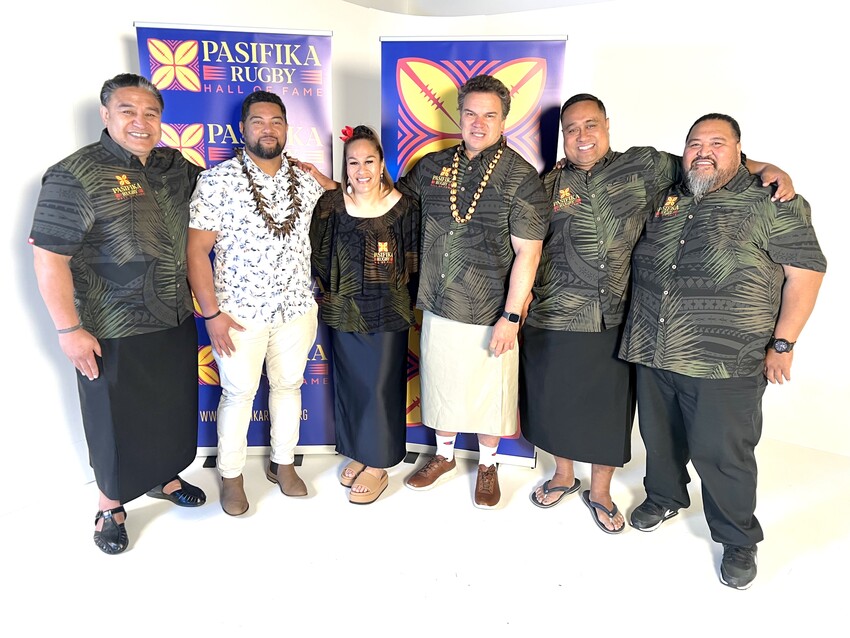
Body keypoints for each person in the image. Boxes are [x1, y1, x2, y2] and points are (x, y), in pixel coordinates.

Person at [520, 94, 795, 533]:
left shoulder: (645, 166)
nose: (582, 136)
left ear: (607, 126)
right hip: (554, 315)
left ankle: (600, 492)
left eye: (590, 125)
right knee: (553, 402)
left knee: (607, 411)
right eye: (571, 129)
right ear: (563, 138)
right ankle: (564, 475)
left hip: (618, 317)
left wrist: (764, 168)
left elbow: (707, 162)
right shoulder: (545, 185)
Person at [619, 113, 826, 588]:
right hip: (653, 348)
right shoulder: (669, 193)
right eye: (695, 143)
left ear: (740, 152)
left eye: (718, 143)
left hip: (727, 360)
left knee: (723, 451)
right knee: (659, 437)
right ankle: (666, 495)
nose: (704, 151)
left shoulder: (774, 201)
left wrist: (784, 342)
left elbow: (806, 274)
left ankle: (737, 538)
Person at [30, 73, 207, 555]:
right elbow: (49, 256)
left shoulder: (176, 166)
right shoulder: (76, 173)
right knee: (112, 418)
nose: (141, 121)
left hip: (173, 314)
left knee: (169, 408)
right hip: (111, 325)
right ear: (106, 115)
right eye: (128, 111)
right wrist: (69, 329)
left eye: (151, 113)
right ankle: (110, 505)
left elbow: (225, 198)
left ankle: (164, 479)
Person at [397, 74, 550, 509]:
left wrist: (512, 316)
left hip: (491, 311)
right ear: (458, 115)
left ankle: (487, 464)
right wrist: (338, 184)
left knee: (490, 393)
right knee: (442, 384)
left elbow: (529, 254)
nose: (478, 123)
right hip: (441, 302)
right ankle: (443, 456)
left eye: (489, 115)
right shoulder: (431, 166)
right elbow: (389, 202)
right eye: (470, 113)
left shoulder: (521, 177)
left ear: (504, 119)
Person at [187, 90, 331, 516]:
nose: (268, 128)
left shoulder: (305, 180)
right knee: (238, 393)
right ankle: (231, 475)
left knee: (289, 386)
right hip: (237, 314)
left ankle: (282, 463)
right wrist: (211, 313)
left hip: (296, 309)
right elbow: (196, 253)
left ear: (287, 128)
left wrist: (326, 181)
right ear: (243, 128)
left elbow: (354, 199)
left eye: (276, 121)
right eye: (258, 121)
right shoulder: (216, 181)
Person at [309, 125, 420, 505]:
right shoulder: (331, 205)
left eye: (369, 160)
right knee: (353, 385)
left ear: (382, 163)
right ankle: (359, 450)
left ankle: (379, 465)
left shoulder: (404, 206)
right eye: (353, 162)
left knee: (380, 388)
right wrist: (334, 293)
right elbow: (319, 257)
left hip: (389, 312)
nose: (361, 169)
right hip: (343, 311)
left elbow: (412, 260)